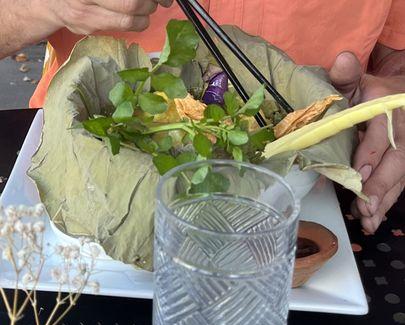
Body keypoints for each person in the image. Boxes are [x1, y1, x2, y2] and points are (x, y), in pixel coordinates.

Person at [2, 0, 405, 233]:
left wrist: (394, 96)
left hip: (310, 209)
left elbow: (395, 53)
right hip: (71, 205)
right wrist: (36, 7)